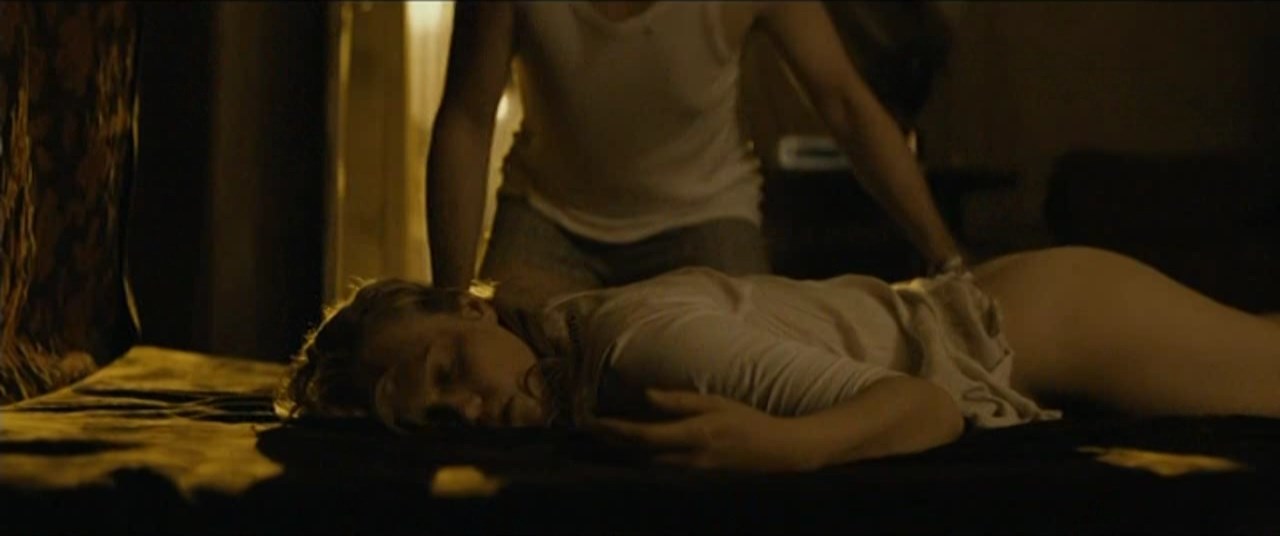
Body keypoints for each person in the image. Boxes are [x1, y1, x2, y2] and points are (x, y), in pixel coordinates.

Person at [277, 246, 1280, 472]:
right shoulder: (568, 352)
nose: (470, 409)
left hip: (1055, 322)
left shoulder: (635, 345)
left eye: (449, 370)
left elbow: (923, 407)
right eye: (439, 418)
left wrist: (783, 445)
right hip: (1016, 315)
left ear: (472, 306)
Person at [426, 1, 964, 320]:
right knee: (506, 369)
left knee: (735, 368)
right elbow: (467, 121)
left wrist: (946, 260)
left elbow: (844, 104)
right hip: (550, 216)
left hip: (703, 216)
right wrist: (450, 302)